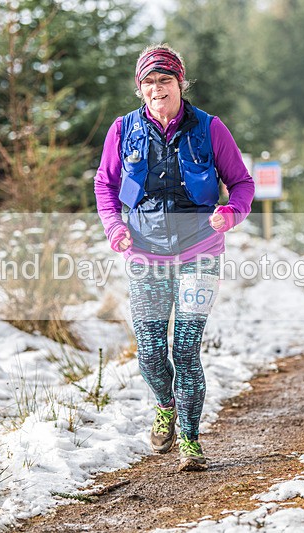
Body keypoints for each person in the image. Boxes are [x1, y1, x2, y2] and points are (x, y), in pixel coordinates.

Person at [94, 44, 255, 471]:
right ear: (139, 88)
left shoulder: (209, 128)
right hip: (146, 253)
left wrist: (230, 213)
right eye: (148, 82)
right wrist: (115, 226)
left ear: (180, 83)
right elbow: (104, 186)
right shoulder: (123, 129)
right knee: (148, 351)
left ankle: (190, 441)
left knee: (184, 350)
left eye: (165, 80)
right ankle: (165, 404)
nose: (156, 88)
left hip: (200, 251)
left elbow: (242, 183)